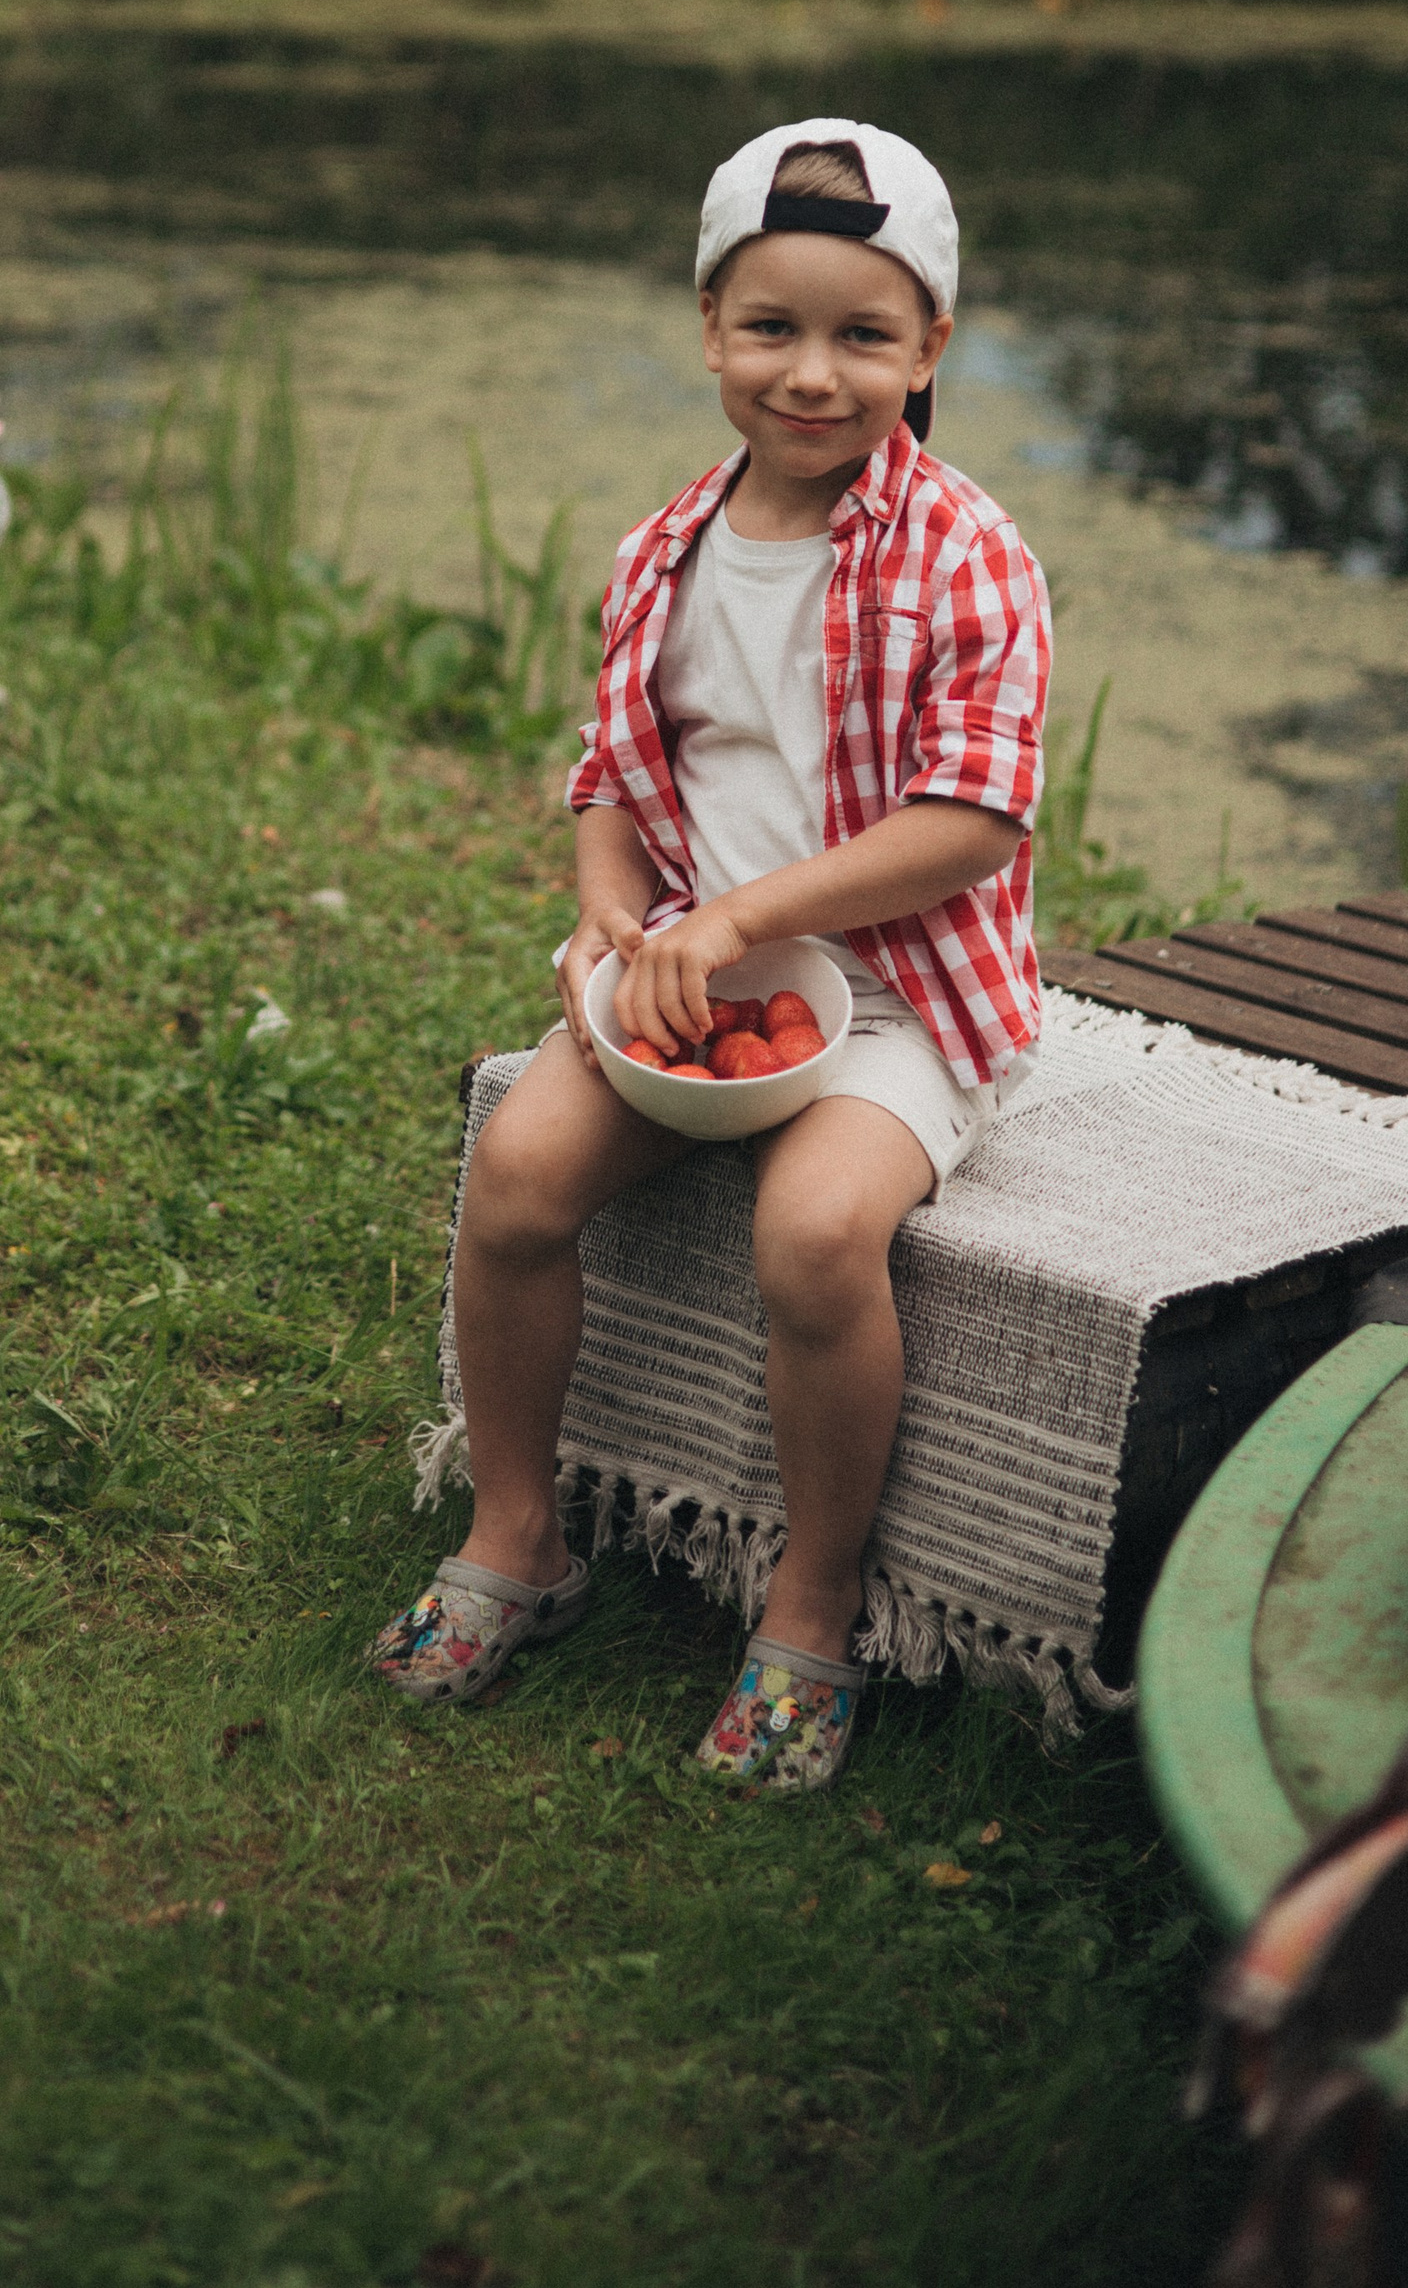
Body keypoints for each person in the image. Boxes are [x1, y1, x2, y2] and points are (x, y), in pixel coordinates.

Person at [372, 118, 1050, 1792]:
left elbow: (973, 817)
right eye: (771, 327)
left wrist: (750, 913)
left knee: (816, 1233)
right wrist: (618, 913)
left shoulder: (967, 554)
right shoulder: (665, 550)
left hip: (899, 996)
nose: (811, 374)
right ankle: (519, 1531)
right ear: (707, 324)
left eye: (862, 335)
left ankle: (809, 1611)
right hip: (699, 976)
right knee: (518, 1175)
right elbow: (614, 778)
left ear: (932, 345)